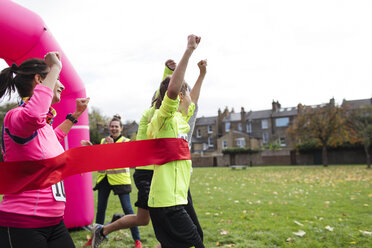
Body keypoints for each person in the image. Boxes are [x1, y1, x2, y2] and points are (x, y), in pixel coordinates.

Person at [92, 56, 207, 248]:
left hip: (173, 182)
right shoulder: (158, 117)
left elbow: (186, 96)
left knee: (169, 231)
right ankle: (103, 230)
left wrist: (201, 74)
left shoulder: (182, 118)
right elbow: (169, 92)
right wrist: (171, 72)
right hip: (150, 175)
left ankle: (104, 230)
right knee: (151, 222)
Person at [0, 52, 90, 248]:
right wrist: (56, 66)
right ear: (40, 79)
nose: (62, 85)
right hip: (22, 223)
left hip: (54, 222)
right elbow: (34, 115)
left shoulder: (43, 127)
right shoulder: (16, 117)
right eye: (56, 79)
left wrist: (74, 116)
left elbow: (52, 139)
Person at [147, 34, 205, 248]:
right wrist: (189, 51)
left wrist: (202, 74)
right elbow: (173, 90)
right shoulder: (164, 119)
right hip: (167, 203)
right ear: (181, 97)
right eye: (187, 93)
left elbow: (194, 99)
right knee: (195, 243)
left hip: (175, 200)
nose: (191, 98)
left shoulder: (181, 119)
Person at [92, 115, 142, 248]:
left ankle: (137, 240)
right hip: (104, 179)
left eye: (116, 126)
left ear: (121, 128)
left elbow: (126, 159)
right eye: (111, 126)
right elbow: (99, 158)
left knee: (128, 210)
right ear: (109, 128)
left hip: (120, 180)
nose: (113, 128)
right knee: (100, 210)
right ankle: (97, 236)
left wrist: (112, 146)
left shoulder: (126, 141)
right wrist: (91, 147)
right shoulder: (104, 140)